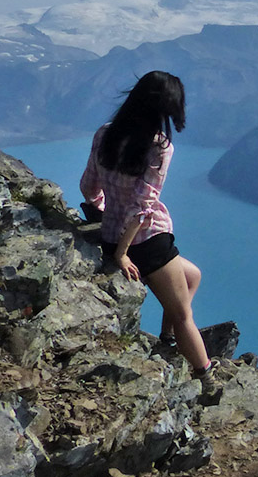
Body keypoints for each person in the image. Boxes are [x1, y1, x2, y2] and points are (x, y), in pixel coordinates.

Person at [80, 71, 218, 386]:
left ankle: (168, 341)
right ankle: (206, 379)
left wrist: (106, 216)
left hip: (115, 232)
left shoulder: (105, 133)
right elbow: (143, 208)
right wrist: (122, 253)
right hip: (147, 241)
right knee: (184, 315)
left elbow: (89, 186)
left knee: (192, 276)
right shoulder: (158, 146)